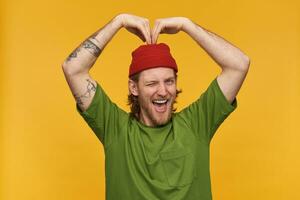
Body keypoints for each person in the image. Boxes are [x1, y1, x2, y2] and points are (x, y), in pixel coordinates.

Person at [62, 13, 250, 200]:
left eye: (169, 81)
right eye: (152, 84)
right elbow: (73, 69)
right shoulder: (115, 130)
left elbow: (239, 65)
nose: (162, 91)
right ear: (134, 88)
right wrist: (117, 22)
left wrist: (187, 25)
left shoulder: (196, 124)